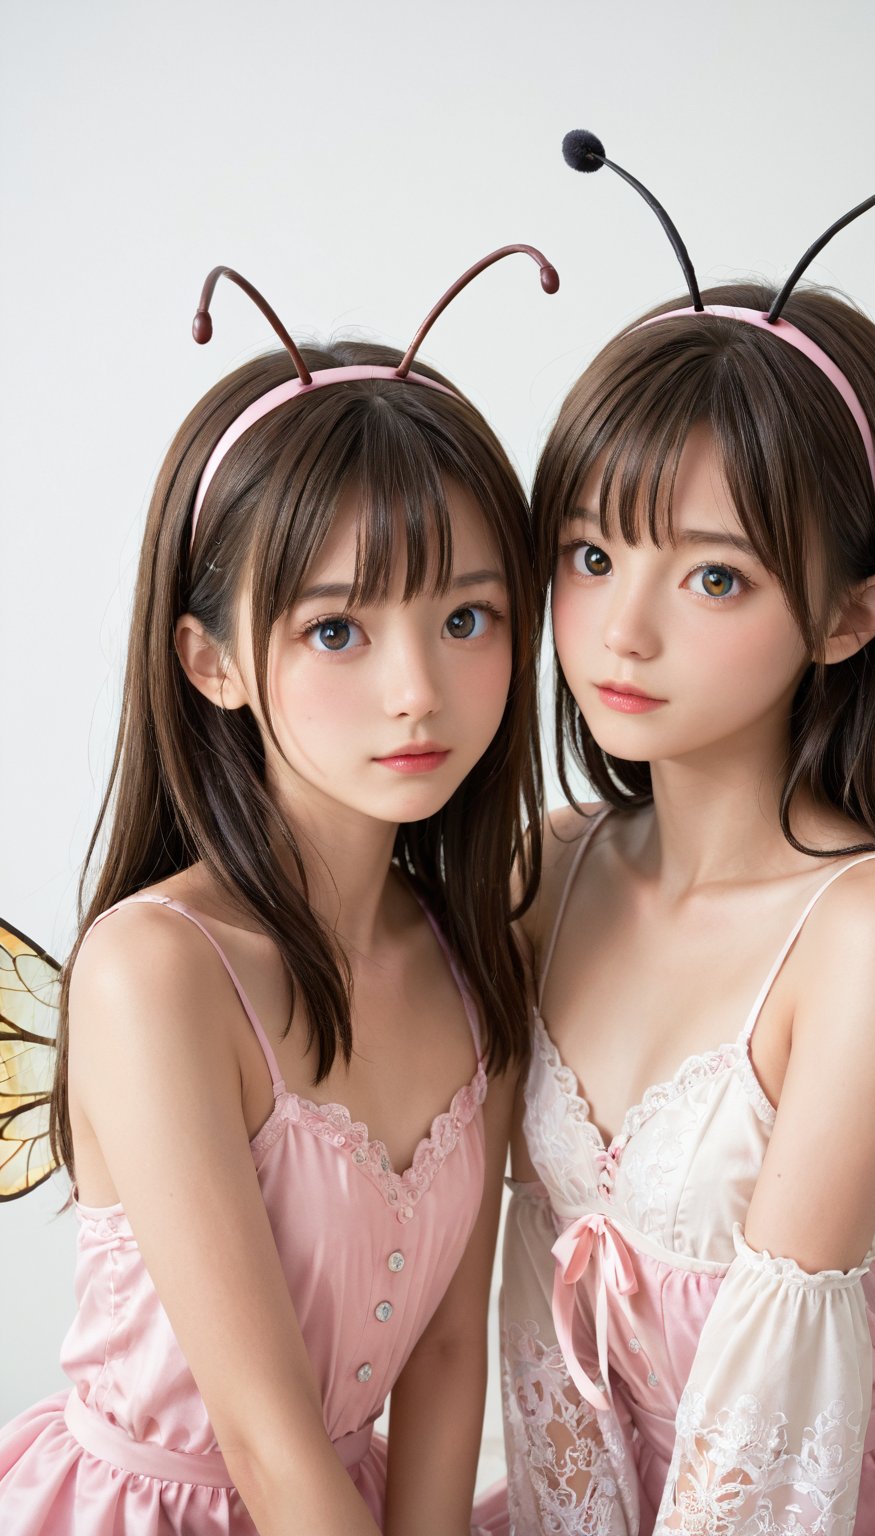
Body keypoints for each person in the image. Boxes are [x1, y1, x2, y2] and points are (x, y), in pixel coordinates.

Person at [491, 139, 875, 1535]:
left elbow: (771, 1412)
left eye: (714, 573)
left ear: (850, 616)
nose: (625, 627)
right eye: (594, 555)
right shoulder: (550, 871)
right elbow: (522, 1292)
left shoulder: (874, 925)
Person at [0, 249, 554, 1536]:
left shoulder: (481, 962)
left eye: (467, 618)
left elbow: (445, 1361)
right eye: (337, 630)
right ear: (209, 662)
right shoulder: (160, 970)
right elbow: (260, 1434)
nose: (416, 687)